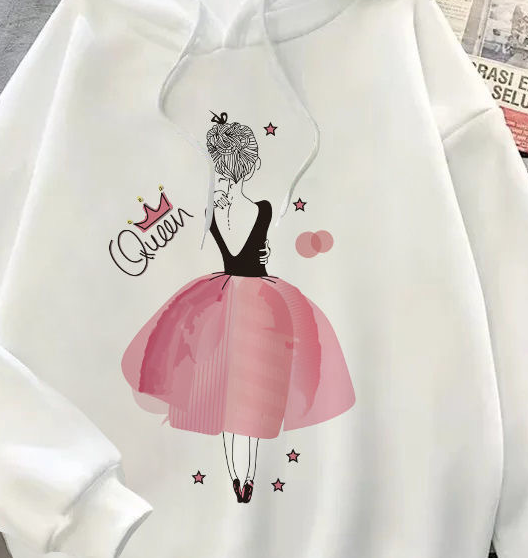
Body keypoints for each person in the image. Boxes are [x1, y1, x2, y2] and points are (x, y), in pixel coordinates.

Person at [122, 112, 355, 503]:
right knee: (253, 399)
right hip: (261, 305)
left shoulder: (212, 210)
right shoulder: (261, 208)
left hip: (222, 300)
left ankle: (237, 479)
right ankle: (245, 480)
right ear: (248, 164)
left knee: (230, 397)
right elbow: (252, 250)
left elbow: (230, 247)